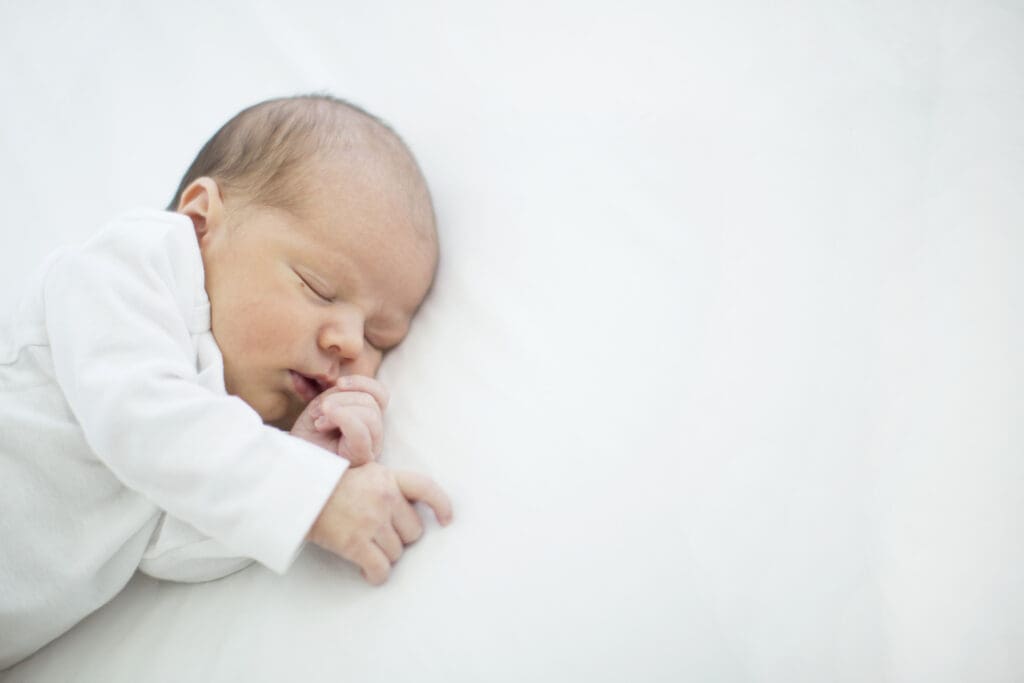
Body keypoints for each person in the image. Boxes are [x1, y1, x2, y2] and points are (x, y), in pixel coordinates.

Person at [0, 94, 452, 669]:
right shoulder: (123, 269)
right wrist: (314, 495)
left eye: (380, 338)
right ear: (200, 222)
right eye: (317, 287)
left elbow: (171, 548)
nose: (349, 343)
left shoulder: (203, 431)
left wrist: (303, 450)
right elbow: (141, 419)